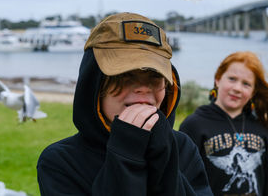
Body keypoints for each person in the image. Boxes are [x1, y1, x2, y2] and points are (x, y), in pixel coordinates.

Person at [37, 12, 213, 196]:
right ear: (94, 85)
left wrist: (163, 158)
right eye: (125, 76)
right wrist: (125, 155)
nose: (143, 89)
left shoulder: (182, 147)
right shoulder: (61, 162)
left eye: (155, 77)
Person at [180, 51, 268, 196]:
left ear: (253, 92)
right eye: (232, 79)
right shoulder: (194, 125)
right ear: (218, 79)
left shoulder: (259, 128)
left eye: (246, 84)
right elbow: (181, 182)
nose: (237, 88)